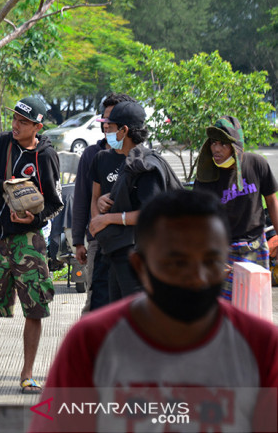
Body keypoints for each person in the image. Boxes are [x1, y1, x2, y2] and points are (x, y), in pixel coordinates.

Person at [31, 189, 278, 432]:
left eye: (211, 262)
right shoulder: (92, 342)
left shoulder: (262, 345)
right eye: (177, 263)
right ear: (140, 266)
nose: (197, 277)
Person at [0, 96, 63, 394]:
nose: (15, 125)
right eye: (15, 118)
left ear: (37, 126)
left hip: (30, 242)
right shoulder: (2, 143)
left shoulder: (46, 156)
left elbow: (56, 202)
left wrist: (36, 216)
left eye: (23, 122)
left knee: (35, 308)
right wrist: (0, 185)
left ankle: (27, 375)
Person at [88, 100, 181, 303]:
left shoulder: (146, 165)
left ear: (124, 130)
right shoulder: (130, 160)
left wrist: (108, 219)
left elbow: (151, 214)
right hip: (120, 256)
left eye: (110, 128)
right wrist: (108, 199)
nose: (106, 133)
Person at [193, 115, 278, 301]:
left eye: (223, 144)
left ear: (236, 146)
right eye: (213, 143)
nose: (216, 148)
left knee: (256, 308)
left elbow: (272, 200)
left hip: (257, 246)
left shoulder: (256, 164)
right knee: (225, 313)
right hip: (224, 252)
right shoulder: (206, 177)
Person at [72, 94, 135, 313]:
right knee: (96, 302)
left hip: (131, 242)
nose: (107, 125)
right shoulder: (93, 155)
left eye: (112, 120)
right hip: (100, 242)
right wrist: (79, 240)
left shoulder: (139, 159)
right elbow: (82, 197)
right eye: (104, 120)